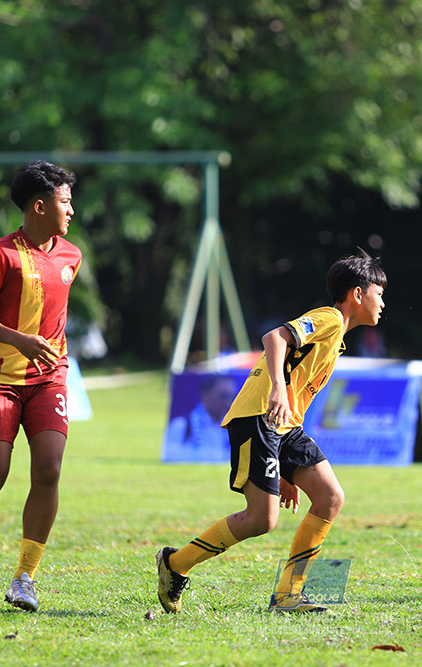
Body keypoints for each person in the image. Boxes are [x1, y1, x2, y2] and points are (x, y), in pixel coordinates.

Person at [156, 249, 387, 614]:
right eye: (379, 293)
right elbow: (275, 337)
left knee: (330, 497)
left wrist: (286, 466)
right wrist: (277, 386)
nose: (383, 302)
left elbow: (297, 392)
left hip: (285, 428)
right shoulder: (328, 318)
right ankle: (175, 564)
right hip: (259, 418)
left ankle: (288, 594)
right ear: (358, 294)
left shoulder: (337, 339)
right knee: (262, 519)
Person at [0, 161, 81, 613]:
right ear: (39, 205)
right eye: (65, 201)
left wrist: (44, 349)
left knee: (48, 471)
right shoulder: (0, 254)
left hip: (50, 378)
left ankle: (25, 577)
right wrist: (19, 340)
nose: (71, 209)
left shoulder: (72, 255)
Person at [163, 374, 238, 462]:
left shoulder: (233, 427)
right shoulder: (181, 425)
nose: (227, 402)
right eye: (223, 396)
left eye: (231, 397)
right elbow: (169, 456)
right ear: (205, 395)